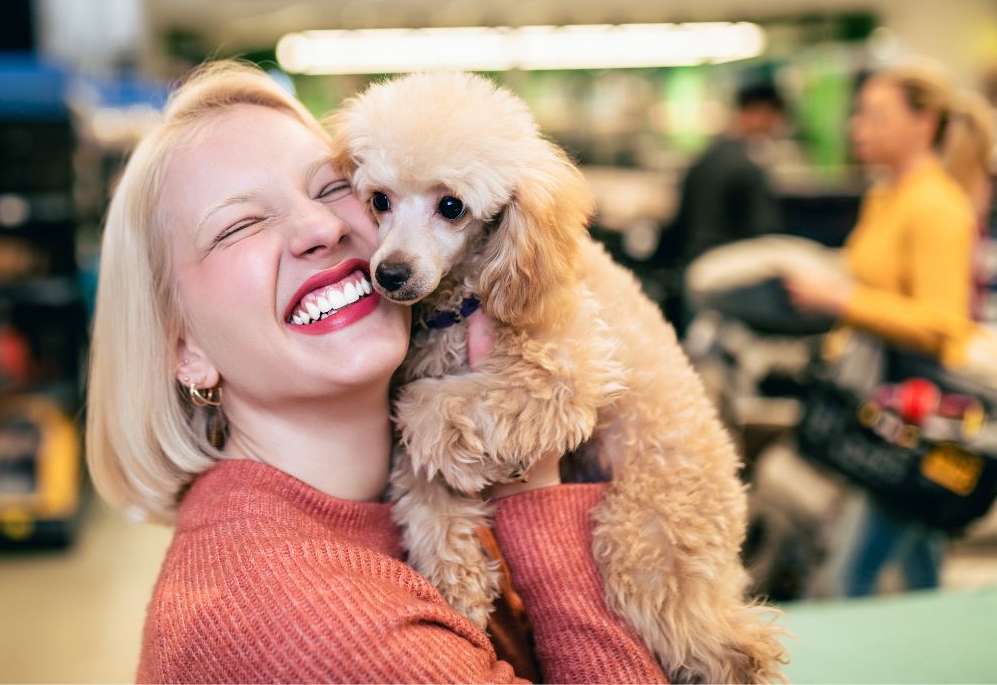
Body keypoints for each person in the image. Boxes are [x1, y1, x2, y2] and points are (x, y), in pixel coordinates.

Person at [84, 61, 667, 682]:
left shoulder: (421, 499)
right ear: (183, 348)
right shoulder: (316, 624)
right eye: (241, 224)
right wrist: (539, 500)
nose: (320, 226)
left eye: (334, 189)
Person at [784, 61, 995, 598]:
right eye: (858, 113)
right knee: (919, 556)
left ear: (923, 125)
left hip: (912, 417)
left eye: (876, 114)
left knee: (847, 577)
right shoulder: (886, 195)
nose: (858, 125)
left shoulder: (936, 206)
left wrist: (843, 298)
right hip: (880, 404)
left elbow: (944, 325)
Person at [661, 83, 787, 276]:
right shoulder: (748, 168)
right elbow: (761, 234)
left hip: (692, 264)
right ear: (759, 113)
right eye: (775, 118)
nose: (777, 127)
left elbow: (680, 222)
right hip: (728, 271)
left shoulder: (704, 157)